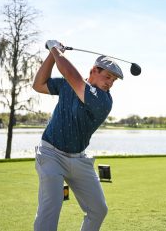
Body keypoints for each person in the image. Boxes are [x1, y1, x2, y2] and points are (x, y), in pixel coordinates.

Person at [32, 40, 123, 231]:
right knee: (51, 207)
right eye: (108, 76)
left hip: (79, 160)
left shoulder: (104, 100)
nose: (110, 83)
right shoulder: (67, 86)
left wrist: (55, 50)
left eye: (113, 80)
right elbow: (38, 85)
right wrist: (52, 55)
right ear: (93, 71)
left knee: (98, 209)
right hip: (50, 154)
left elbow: (70, 73)